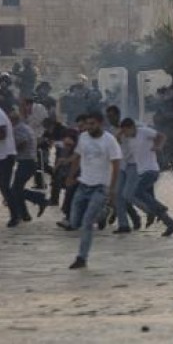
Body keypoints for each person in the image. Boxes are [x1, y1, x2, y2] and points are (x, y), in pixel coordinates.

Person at [65, 111, 122, 269]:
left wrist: (112, 189)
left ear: (100, 123)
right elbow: (77, 157)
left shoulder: (109, 141)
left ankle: (81, 258)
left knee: (87, 222)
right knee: (74, 222)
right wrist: (70, 176)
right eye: (87, 124)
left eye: (92, 124)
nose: (89, 127)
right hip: (83, 185)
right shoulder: (83, 137)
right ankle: (104, 212)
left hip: (100, 187)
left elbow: (116, 165)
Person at [119, 118, 173, 236]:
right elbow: (126, 157)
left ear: (131, 127)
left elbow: (161, 136)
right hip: (141, 173)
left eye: (125, 131)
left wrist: (158, 146)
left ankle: (162, 208)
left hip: (151, 170)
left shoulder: (144, 131)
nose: (125, 134)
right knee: (149, 202)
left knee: (137, 192)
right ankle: (171, 224)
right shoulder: (130, 141)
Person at [10, 111, 48, 224]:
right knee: (16, 189)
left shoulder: (18, 129)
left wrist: (12, 151)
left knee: (15, 190)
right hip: (28, 161)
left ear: (13, 120)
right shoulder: (24, 127)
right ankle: (25, 214)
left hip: (26, 162)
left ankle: (39, 199)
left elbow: (23, 141)